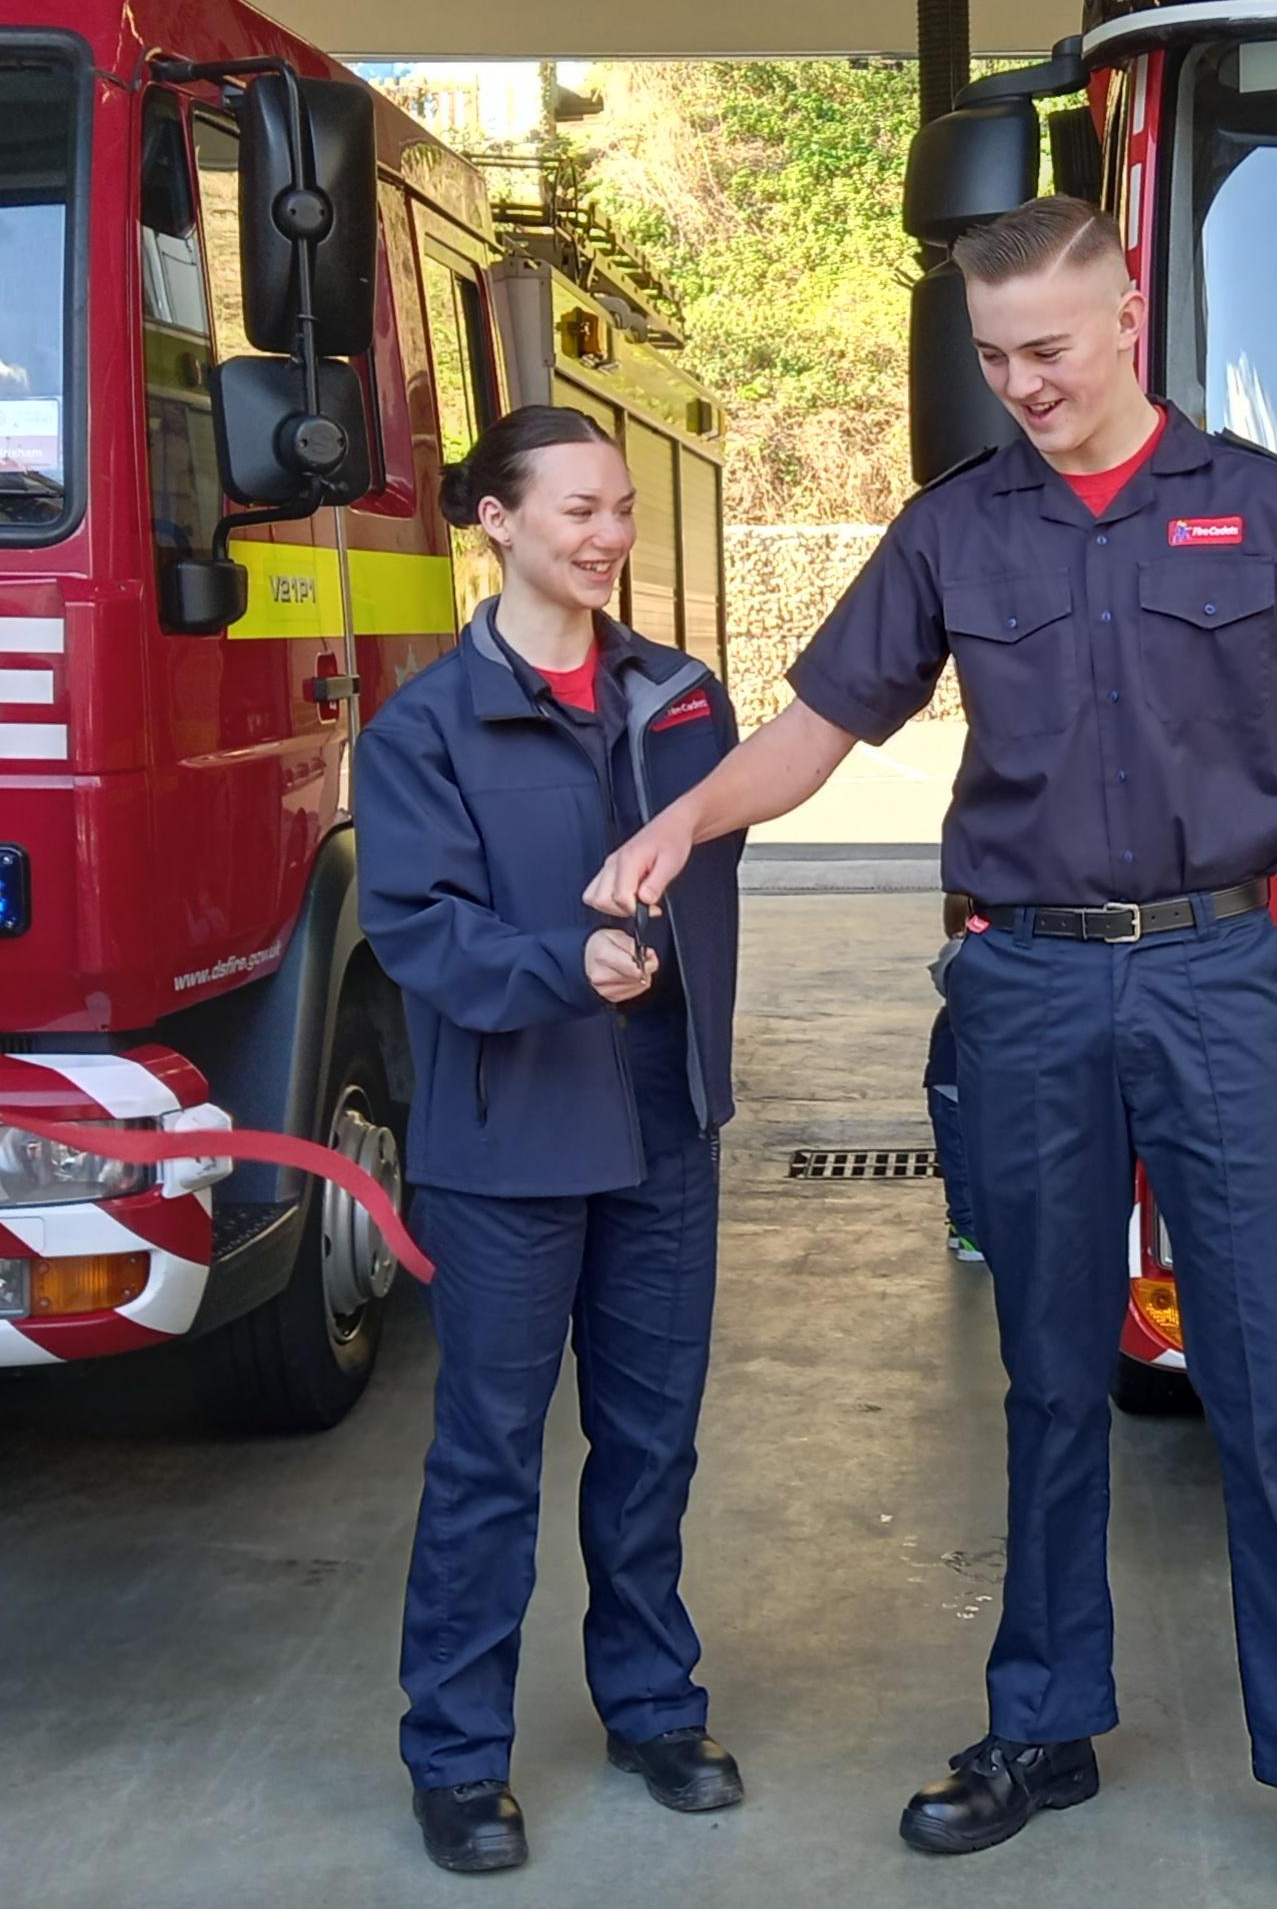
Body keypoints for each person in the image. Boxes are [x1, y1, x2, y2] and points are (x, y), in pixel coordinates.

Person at [587, 196, 1277, 1906]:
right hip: (1026, 988)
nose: (1020, 384)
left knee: (1268, 1385)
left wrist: (1255, 789)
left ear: (1123, 316)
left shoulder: (1256, 511)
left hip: (1210, 977)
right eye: (991, 359)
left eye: (1044, 349)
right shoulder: (953, 529)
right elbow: (822, 726)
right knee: (1048, 1371)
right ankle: (1041, 1721)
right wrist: (685, 818)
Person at [355, 405, 747, 1876]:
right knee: (489, 1454)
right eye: (576, 509)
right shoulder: (425, 729)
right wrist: (558, 969)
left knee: (650, 1443)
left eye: (622, 509)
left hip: (661, 1129)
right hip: (508, 1142)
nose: (606, 535)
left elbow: (717, 858)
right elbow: (417, 930)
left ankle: (652, 1703)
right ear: (497, 523)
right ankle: (455, 1755)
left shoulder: (680, 696)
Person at [925, 890, 982, 1264]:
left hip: (956, 1079)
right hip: (957, 1080)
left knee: (963, 1159)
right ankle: (971, 1231)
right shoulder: (963, 958)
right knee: (965, 1159)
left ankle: (965, 1223)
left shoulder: (961, 955)